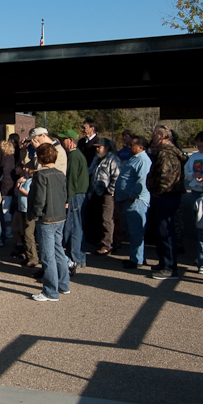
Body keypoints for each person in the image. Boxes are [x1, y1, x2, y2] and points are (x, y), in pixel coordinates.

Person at [28, 143, 70, 302]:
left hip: (46, 219)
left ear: (40, 158)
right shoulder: (60, 174)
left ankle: (50, 291)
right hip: (60, 216)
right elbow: (64, 194)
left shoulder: (41, 175)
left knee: (47, 255)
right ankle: (63, 284)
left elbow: (39, 199)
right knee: (58, 250)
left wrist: (35, 214)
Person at [145, 125, 187, 280]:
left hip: (166, 197)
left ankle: (170, 267)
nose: (153, 136)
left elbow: (166, 177)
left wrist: (157, 191)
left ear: (162, 136)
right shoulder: (164, 153)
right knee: (159, 231)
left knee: (166, 232)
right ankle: (164, 262)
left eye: (155, 134)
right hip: (163, 196)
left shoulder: (167, 154)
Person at [115, 135, 151, 269]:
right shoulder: (134, 159)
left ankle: (137, 259)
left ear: (141, 147)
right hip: (127, 200)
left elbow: (143, 180)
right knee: (132, 230)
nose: (129, 147)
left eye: (132, 145)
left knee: (136, 231)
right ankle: (137, 256)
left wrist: (133, 194)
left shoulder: (143, 160)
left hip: (136, 201)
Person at [58, 129, 88, 270]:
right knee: (78, 226)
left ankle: (74, 259)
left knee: (73, 228)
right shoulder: (77, 155)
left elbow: (71, 179)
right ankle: (79, 257)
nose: (62, 141)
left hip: (75, 195)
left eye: (64, 139)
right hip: (79, 194)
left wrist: (67, 198)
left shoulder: (73, 156)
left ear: (70, 140)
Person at [87, 138, 121, 256]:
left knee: (107, 219)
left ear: (106, 148)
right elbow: (90, 171)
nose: (97, 149)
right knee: (98, 218)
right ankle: (100, 240)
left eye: (99, 147)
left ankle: (108, 245)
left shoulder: (113, 159)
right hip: (96, 191)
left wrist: (110, 191)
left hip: (108, 193)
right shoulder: (97, 159)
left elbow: (117, 177)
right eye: (96, 147)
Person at [13, 165, 38, 267]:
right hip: (21, 208)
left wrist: (24, 192)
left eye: (27, 167)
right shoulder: (24, 179)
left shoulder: (33, 180)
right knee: (21, 231)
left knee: (28, 234)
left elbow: (34, 195)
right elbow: (16, 192)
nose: (24, 169)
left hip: (28, 209)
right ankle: (27, 255)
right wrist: (18, 183)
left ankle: (33, 258)